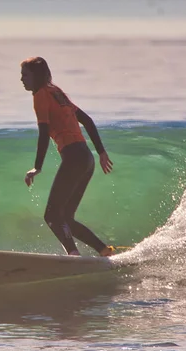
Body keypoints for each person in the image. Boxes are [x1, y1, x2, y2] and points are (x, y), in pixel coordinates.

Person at [20, 56, 114, 257]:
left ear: (35, 76)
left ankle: (73, 254)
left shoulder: (40, 96)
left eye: (25, 75)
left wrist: (37, 167)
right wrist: (101, 152)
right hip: (86, 158)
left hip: (73, 157)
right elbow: (87, 120)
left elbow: (44, 133)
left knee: (52, 215)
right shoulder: (57, 93)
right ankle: (104, 250)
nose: (21, 79)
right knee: (66, 218)